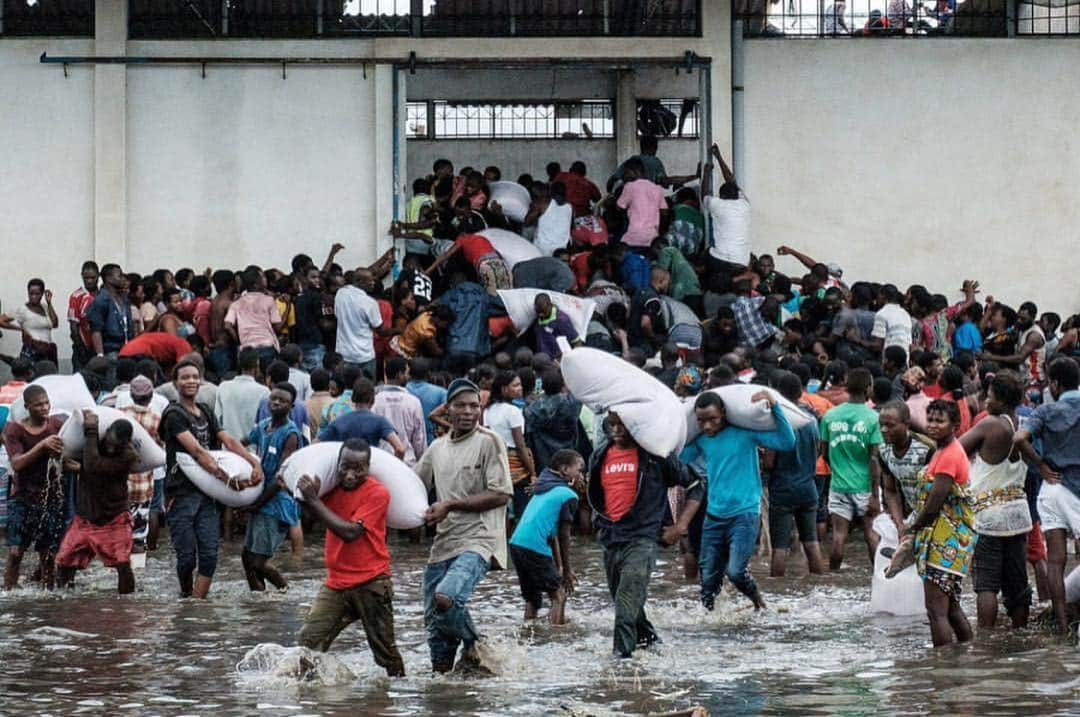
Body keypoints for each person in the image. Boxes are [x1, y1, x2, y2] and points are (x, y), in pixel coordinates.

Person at [415, 378, 513, 674]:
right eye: (461, 405)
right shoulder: (437, 447)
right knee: (435, 627)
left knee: (446, 598)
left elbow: (502, 494)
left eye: (474, 406)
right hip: (444, 542)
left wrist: (450, 505)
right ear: (449, 408)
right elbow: (414, 486)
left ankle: (477, 645)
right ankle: (446, 690)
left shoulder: (488, 441)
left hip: (479, 540)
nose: (468, 411)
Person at [591, 411, 701, 657]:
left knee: (625, 607)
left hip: (642, 539)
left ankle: (621, 667)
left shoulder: (656, 455)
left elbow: (695, 485)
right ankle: (652, 646)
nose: (617, 430)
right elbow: (597, 493)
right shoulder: (600, 454)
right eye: (613, 424)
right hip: (610, 538)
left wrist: (680, 526)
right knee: (629, 605)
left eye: (624, 424)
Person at [296, 439, 406, 677]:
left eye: (358, 469)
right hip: (336, 583)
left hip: (372, 582)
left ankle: (398, 696)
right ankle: (308, 699)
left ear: (368, 467)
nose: (350, 475)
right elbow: (313, 516)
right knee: (307, 643)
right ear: (337, 465)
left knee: (386, 654)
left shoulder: (378, 493)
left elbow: (350, 532)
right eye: (345, 467)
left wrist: (313, 501)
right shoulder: (329, 489)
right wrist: (304, 496)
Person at [681, 389, 794, 610]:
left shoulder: (745, 434)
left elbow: (787, 441)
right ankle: (709, 629)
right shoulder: (703, 441)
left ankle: (759, 604)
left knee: (735, 571)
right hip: (713, 516)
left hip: (745, 514)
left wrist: (775, 406)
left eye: (712, 419)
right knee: (707, 582)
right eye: (701, 421)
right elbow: (678, 456)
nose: (706, 426)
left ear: (723, 413)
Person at [160, 358, 263, 598]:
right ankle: (185, 596)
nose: (191, 381)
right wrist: (228, 480)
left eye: (195, 377)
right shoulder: (173, 414)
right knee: (186, 557)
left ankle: (197, 604)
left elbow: (228, 440)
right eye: (185, 377)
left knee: (209, 554)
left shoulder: (205, 410)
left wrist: (253, 462)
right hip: (181, 493)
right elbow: (196, 451)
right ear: (175, 382)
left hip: (207, 494)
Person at [959, 371, 1031, 628]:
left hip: (989, 515)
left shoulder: (990, 425)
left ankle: (986, 642)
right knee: (1017, 582)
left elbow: (957, 450)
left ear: (1000, 399)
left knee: (986, 584)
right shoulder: (1025, 423)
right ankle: (1019, 635)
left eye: (989, 396)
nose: (986, 400)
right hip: (1018, 514)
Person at [1014, 357, 1080, 635]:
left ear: (1053, 383)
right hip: (1077, 490)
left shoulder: (1046, 410)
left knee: (1055, 561)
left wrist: (1040, 465)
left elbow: (1019, 438)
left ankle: (1063, 626)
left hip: (1052, 489)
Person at [905, 399, 976, 647]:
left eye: (940, 421)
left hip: (946, 541)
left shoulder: (949, 456)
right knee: (951, 606)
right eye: (931, 420)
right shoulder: (941, 451)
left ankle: (942, 667)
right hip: (948, 539)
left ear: (955, 425)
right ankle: (967, 653)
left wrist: (910, 529)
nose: (933, 425)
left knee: (937, 611)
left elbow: (934, 505)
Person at [55, 410, 138, 594]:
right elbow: (89, 466)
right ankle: (64, 598)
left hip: (114, 518)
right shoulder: (96, 444)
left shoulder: (127, 457)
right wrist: (80, 466)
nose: (109, 446)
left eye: (113, 445)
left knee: (122, 563)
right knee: (65, 560)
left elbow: (94, 467)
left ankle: (125, 604)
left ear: (123, 444)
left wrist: (91, 430)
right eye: (108, 441)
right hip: (86, 515)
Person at [2, 385, 66, 589]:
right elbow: (17, 464)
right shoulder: (14, 430)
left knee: (48, 556)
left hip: (50, 498)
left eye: (47, 403)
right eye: (39, 405)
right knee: (15, 552)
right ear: (28, 407)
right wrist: (42, 446)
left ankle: (48, 597)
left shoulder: (57, 425)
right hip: (22, 498)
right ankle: (8, 592)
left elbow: (70, 457)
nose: (45, 407)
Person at [509, 449, 583, 624]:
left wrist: (559, 568)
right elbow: (564, 536)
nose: (582, 474)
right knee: (559, 595)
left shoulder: (542, 489)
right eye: (579, 469)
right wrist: (566, 570)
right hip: (534, 546)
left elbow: (552, 536)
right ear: (565, 470)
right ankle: (557, 640)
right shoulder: (568, 495)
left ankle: (528, 634)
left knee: (532, 598)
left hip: (516, 544)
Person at [820, 368, 883, 570]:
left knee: (839, 536)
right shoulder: (873, 418)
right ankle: (880, 579)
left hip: (838, 486)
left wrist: (838, 470)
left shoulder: (830, 415)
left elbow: (825, 452)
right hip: (865, 486)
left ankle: (833, 578)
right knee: (871, 535)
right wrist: (874, 494)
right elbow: (874, 459)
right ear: (868, 389)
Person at [241, 384, 302, 592]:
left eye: (282, 400)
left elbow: (281, 477)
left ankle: (285, 590)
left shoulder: (290, 434)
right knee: (246, 557)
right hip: (258, 499)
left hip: (273, 503)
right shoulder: (263, 426)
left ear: (291, 406)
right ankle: (260, 599)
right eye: (273, 398)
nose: (276, 402)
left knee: (258, 561)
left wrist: (256, 504)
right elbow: (241, 444)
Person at [767, 373, 826, 577]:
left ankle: (777, 592)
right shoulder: (810, 419)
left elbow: (769, 461)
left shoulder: (778, 421)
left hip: (783, 490)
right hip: (808, 488)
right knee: (811, 543)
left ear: (779, 393)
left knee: (780, 547)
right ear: (800, 391)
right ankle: (819, 587)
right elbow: (819, 451)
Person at [120, 376, 166, 553]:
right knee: (146, 518)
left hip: (120, 480)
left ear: (131, 395)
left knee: (120, 525)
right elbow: (161, 450)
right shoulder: (156, 420)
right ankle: (149, 553)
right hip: (144, 481)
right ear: (151, 395)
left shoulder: (121, 415)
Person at [483, 370, 537, 520]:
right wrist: (532, 472)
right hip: (516, 464)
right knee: (522, 510)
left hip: (495, 461)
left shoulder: (488, 410)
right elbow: (520, 445)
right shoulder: (513, 412)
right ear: (504, 389)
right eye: (516, 385)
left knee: (501, 512)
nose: (520, 388)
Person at [318, 377, 407, 461]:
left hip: (345, 471)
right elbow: (400, 449)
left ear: (353, 398)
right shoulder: (380, 422)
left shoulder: (339, 421)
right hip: (369, 470)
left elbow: (316, 443)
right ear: (372, 399)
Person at [879, 401, 935, 532]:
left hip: (937, 513)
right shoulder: (883, 450)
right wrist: (899, 524)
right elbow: (890, 490)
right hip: (912, 514)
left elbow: (938, 492)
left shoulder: (926, 448)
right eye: (881, 425)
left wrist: (919, 524)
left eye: (890, 425)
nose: (883, 430)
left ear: (906, 425)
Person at [335, 268, 395, 379]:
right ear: (359, 282)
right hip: (365, 356)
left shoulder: (340, 294)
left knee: (346, 389)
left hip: (344, 354)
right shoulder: (369, 303)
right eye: (370, 281)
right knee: (366, 390)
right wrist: (399, 330)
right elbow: (381, 331)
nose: (373, 283)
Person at [701, 143, 751, 275]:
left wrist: (706, 172)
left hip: (721, 260)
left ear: (722, 196)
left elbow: (704, 194)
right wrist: (719, 157)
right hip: (742, 262)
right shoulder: (744, 204)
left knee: (701, 258)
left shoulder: (718, 205)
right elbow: (732, 181)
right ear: (737, 194)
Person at [225, 267, 282, 371]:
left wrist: (239, 340)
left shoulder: (236, 304)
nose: (265, 279)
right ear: (256, 284)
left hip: (246, 349)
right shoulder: (269, 300)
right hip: (267, 345)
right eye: (263, 277)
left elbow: (227, 326)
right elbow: (278, 327)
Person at [373, 357, 427, 467]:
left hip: (381, 462)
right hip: (407, 464)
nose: (409, 376)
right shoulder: (413, 402)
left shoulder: (375, 400)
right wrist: (422, 463)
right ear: (399, 374)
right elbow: (419, 439)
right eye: (407, 373)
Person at [425, 233, 512, 297]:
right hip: (500, 262)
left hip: (486, 264)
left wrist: (428, 270)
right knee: (507, 295)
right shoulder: (481, 238)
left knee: (493, 298)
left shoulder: (462, 239)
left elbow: (445, 256)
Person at [214, 347, 270, 441]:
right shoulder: (264, 392)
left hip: (229, 449)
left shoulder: (223, 387)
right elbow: (266, 426)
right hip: (253, 451)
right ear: (257, 364)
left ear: (239, 363)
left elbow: (216, 420)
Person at [87, 263, 135, 370]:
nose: (123, 279)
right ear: (108, 278)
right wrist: (100, 355)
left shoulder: (124, 298)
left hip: (127, 350)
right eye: (120, 276)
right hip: (111, 352)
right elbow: (96, 329)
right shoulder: (101, 300)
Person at [615, 157, 667, 250]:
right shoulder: (657, 188)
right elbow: (664, 212)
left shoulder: (629, 186)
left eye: (626, 173)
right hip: (652, 238)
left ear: (634, 171)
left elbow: (619, 207)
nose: (625, 176)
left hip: (632, 237)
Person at [67, 261, 99, 371]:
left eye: (92, 277)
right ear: (82, 276)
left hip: (100, 349)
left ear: (98, 276)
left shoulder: (103, 295)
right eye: (86, 278)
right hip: (82, 349)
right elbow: (73, 325)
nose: (89, 281)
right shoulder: (76, 296)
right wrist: (80, 348)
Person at [407, 358, 447, 446]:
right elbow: (449, 413)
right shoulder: (441, 392)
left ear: (409, 373)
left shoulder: (402, 391)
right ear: (429, 374)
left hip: (406, 442)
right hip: (432, 442)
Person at [533, 293, 582, 359]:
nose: (541, 315)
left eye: (543, 312)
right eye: (538, 312)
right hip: (543, 360)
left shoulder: (561, 320)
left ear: (550, 305)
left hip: (559, 361)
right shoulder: (537, 320)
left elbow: (577, 342)